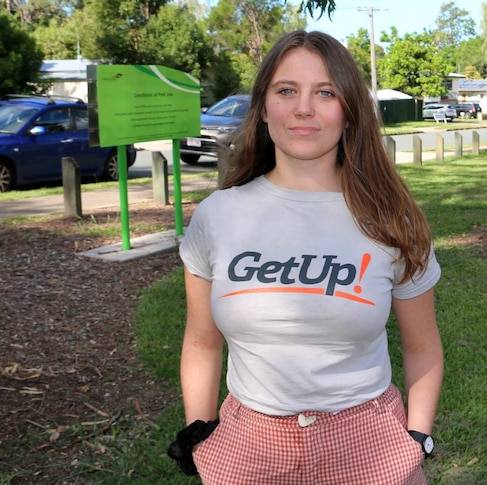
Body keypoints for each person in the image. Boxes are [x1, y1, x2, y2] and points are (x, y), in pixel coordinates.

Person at [167, 30, 443, 484]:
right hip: (247, 447)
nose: (303, 108)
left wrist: (416, 438)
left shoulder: (393, 221)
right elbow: (201, 340)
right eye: (286, 90)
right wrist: (200, 430)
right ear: (263, 108)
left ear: (349, 111)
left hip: (369, 445)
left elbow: (423, 345)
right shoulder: (218, 215)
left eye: (326, 92)